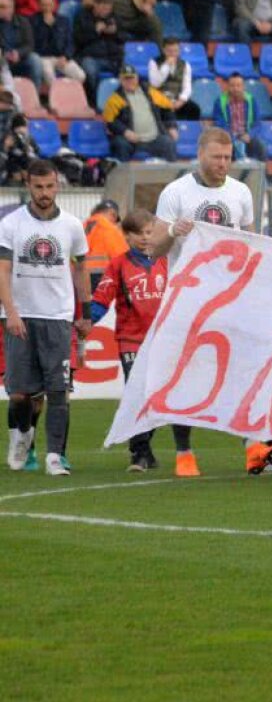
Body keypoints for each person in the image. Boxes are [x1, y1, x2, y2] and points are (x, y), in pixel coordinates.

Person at [148, 128, 257, 476]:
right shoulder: (176, 192)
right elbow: (153, 249)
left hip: (231, 299)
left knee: (240, 371)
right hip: (189, 301)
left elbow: (253, 243)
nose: (222, 164)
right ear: (200, 154)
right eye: (216, 157)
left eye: (227, 157)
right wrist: (172, 232)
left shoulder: (240, 192)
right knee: (186, 377)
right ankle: (184, 453)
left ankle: (251, 445)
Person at [0, 161, 89, 477]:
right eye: (38, 187)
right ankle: (22, 436)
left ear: (57, 185)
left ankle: (54, 456)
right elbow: (3, 270)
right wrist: (10, 311)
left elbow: (80, 269)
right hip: (21, 316)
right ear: (28, 186)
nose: (44, 193)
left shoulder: (72, 226)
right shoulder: (11, 224)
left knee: (58, 391)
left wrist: (85, 313)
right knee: (21, 394)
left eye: (50, 186)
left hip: (58, 317)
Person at [88, 208, 166, 472]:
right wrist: (86, 324)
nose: (145, 238)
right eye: (138, 233)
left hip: (161, 340)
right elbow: (101, 300)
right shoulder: (118, 265)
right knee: (139, 393)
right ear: (127, 236)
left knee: (157, 397)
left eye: (149, 232)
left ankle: (146, 448)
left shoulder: (167, 261)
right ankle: (139, 453)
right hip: (131, 339)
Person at [103, 64, 179, 161]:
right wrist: (125, 131)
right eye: (126, 79)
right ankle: (123, 175)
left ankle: (172, 176)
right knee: (120, 144)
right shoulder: (115, 99)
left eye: (132, 78)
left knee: (169, 143)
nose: (130, 81)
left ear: (137, 78)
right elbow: (110, 122)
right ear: (121, 80)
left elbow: (167, 109)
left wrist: (172, 126)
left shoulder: (151, 92)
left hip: (154, 138)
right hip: (132, 141)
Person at [74, 0, 123, 103]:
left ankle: (120, 100)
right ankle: (94, 100)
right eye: (103, 8)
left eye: (108, 9)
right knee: (90, 69)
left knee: (127, 70)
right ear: (95, 5)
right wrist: (95, 31)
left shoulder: (114, 17)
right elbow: (78, 40)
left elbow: (123, 38)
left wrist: (115, 32)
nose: (106, 12)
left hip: (112, 57)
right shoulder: (83, 16)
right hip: (90, 56)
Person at [30, 0, 84, 86]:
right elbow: (34, 44)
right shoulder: (33, 21)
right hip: (43, 57)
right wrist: (46, 24)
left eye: (50, 4)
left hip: (61, 57)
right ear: (38, 5)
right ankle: (56, 99)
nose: (47, 8)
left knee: (80, 76)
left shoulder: (63, 21)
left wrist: (66, 56)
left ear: (54, 4)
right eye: (44, 5)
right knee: (50, 76)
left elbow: (70, 42)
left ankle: (68, 95)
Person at [212, 73, 267, 161]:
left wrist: (249, 135)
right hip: (229, 137)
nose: (235, 89)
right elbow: (219, 123)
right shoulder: (220, 101)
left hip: (247, 135)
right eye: (232, 85)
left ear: (243, 86)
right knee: (229, 146)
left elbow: (257, 123)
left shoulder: (251, 100)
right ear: (228, 86)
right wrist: (232, 136)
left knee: (261, 146)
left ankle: (262, 173)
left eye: (238, 85)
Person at [149, 37, 200, 121]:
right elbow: (155, 83)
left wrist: (181, 101)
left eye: (175, 51)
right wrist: (166, 66)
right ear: (163, 50)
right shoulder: (153, 62)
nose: (172, 54)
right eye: (169, 51)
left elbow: (187, 87)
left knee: (194, 109)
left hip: (177, 99)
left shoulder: (185, 65)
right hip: (160, 100)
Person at [82, 198, 127, 292]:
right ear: (112, 213)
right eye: (115, 219)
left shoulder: (82, 226)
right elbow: (121, 255)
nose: (115, 222)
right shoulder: (110, 229)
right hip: (102, 275)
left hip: (79, 275)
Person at [0, 0, 41, 89]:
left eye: (2, 7)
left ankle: (35, 94)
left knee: (35, 59)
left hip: (19, 58)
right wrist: (4, 55)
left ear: (11, 8)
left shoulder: (23, 22)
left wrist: (18, 53)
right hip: (2, 59)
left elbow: (29, 44)